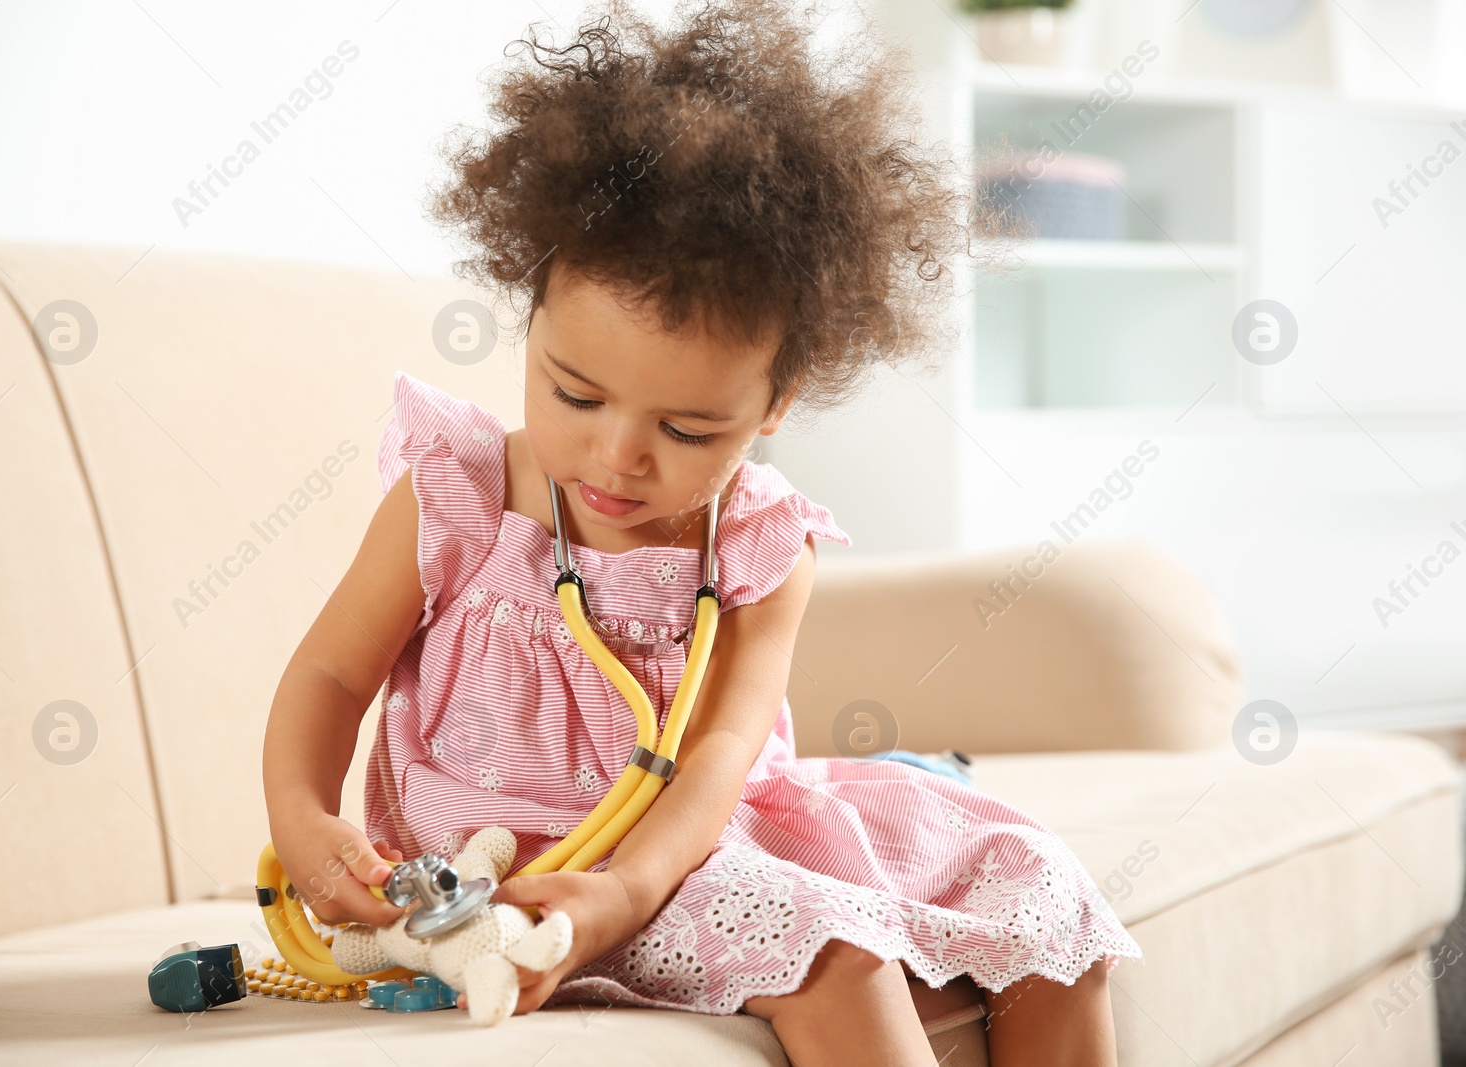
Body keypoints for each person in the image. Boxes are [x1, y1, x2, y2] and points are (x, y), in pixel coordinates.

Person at [263, 1, 1140, 1063]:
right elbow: (327, 676)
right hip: (488, 870)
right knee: (833, 957)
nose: (619, 456)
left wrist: (623, 890)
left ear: (777, 402)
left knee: (1040, 889)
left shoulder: (762, 550)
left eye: (687, 427)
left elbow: (722, 755)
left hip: (681, 855)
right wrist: (305, 818)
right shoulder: (456, 493)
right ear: (530, 313)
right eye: (573, 392)